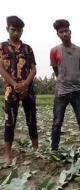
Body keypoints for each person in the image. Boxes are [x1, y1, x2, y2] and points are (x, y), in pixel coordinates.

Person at [0, 16, 38, 166]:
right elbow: (1, 69)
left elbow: (33, 69)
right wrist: (15, 84)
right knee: (10, 122)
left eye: (19, 30)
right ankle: (8, 155)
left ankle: (36, 150)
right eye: (13, 30)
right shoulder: (1, 47)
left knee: (31, 120)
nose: (16, 33)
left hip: (28, 89)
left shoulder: (28, 49)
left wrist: (26, 83)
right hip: (11, 89)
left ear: (22, 31)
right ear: (7, 29)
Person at [50, 19, 80, 151]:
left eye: (66, 31)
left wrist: (73, 78)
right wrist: (63, 79)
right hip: (61, 92)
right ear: (58, 34)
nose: (64, 34)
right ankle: (54, 148)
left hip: (77, 90)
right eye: (61, 32)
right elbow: (56, 70)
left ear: (70, 31)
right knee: (57, 122)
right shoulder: (54, 51)